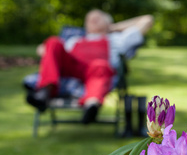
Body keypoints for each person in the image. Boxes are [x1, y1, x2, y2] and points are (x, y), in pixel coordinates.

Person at [26, 9, 154, 123]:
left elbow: (147, 20)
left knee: (101, 65)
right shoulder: (74, 40)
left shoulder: (117, 39)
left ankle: (91, 104)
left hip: (95, 70)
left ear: (108, 22)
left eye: (98, 17)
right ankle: (44, 92)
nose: (93, 19)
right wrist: (51, 47)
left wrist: (113, 28)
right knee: (53, 41)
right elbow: (42, 50)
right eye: (89, 18)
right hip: (72, 67)